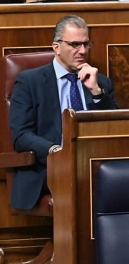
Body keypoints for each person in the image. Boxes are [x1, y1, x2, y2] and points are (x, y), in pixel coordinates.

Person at [9, 15, 117, 210]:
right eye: (75, 44)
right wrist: (55, 151)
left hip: (94, 165)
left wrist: (96, 92)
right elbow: (21, 135)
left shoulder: (100, 82)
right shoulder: (30, 82)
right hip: (49, 168)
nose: (82, 51)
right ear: (56, 47)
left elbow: (114, 130)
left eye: (86, 44)